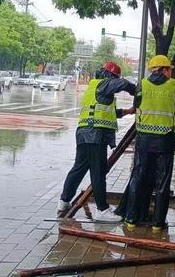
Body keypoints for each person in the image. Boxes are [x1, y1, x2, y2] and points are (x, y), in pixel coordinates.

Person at [57, 61, 136, 221]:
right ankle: (102, 210)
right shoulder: (105, 84)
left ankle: (64, 201)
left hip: (84, 132)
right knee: (98, 171)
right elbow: (124, 84)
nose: (115, 80)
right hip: (95, 135)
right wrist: (137, 91)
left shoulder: (94, 87)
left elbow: (107, 111)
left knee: (79, 168)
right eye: (114, 77)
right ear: (110, 76)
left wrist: (128, 111)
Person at [123, 55, 175, 232]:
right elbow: (173, 106)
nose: (171, 72)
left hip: (144, 140)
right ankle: (158, 223)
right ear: (164, 69)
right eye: (169, 69)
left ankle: (131, 219)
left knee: (137, 178)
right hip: (165, 141)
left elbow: (137, 105)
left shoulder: (142, 85)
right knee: (163, 183)